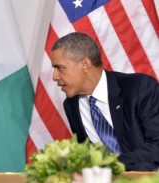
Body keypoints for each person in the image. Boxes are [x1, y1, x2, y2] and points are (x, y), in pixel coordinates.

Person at [51, 32, 159, 171]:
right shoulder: (71, 105)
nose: (55, 77)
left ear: (85, 64)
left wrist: (110, 165)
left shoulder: (139, 88)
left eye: (59, 67)